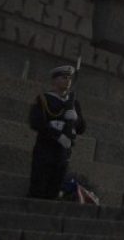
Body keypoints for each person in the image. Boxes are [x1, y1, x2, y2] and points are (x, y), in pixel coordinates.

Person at [27, 65, 86, 200]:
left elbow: (82, 128)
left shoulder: (73, 103)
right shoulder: (44, 99)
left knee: (54, 189)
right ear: (54, 80)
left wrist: (76, 119)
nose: (67, 81)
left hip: (62, 153)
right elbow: (36, 122)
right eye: (64, 77)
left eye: (69, 78)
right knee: (39, 187)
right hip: (45, 149)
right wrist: (58, 135)